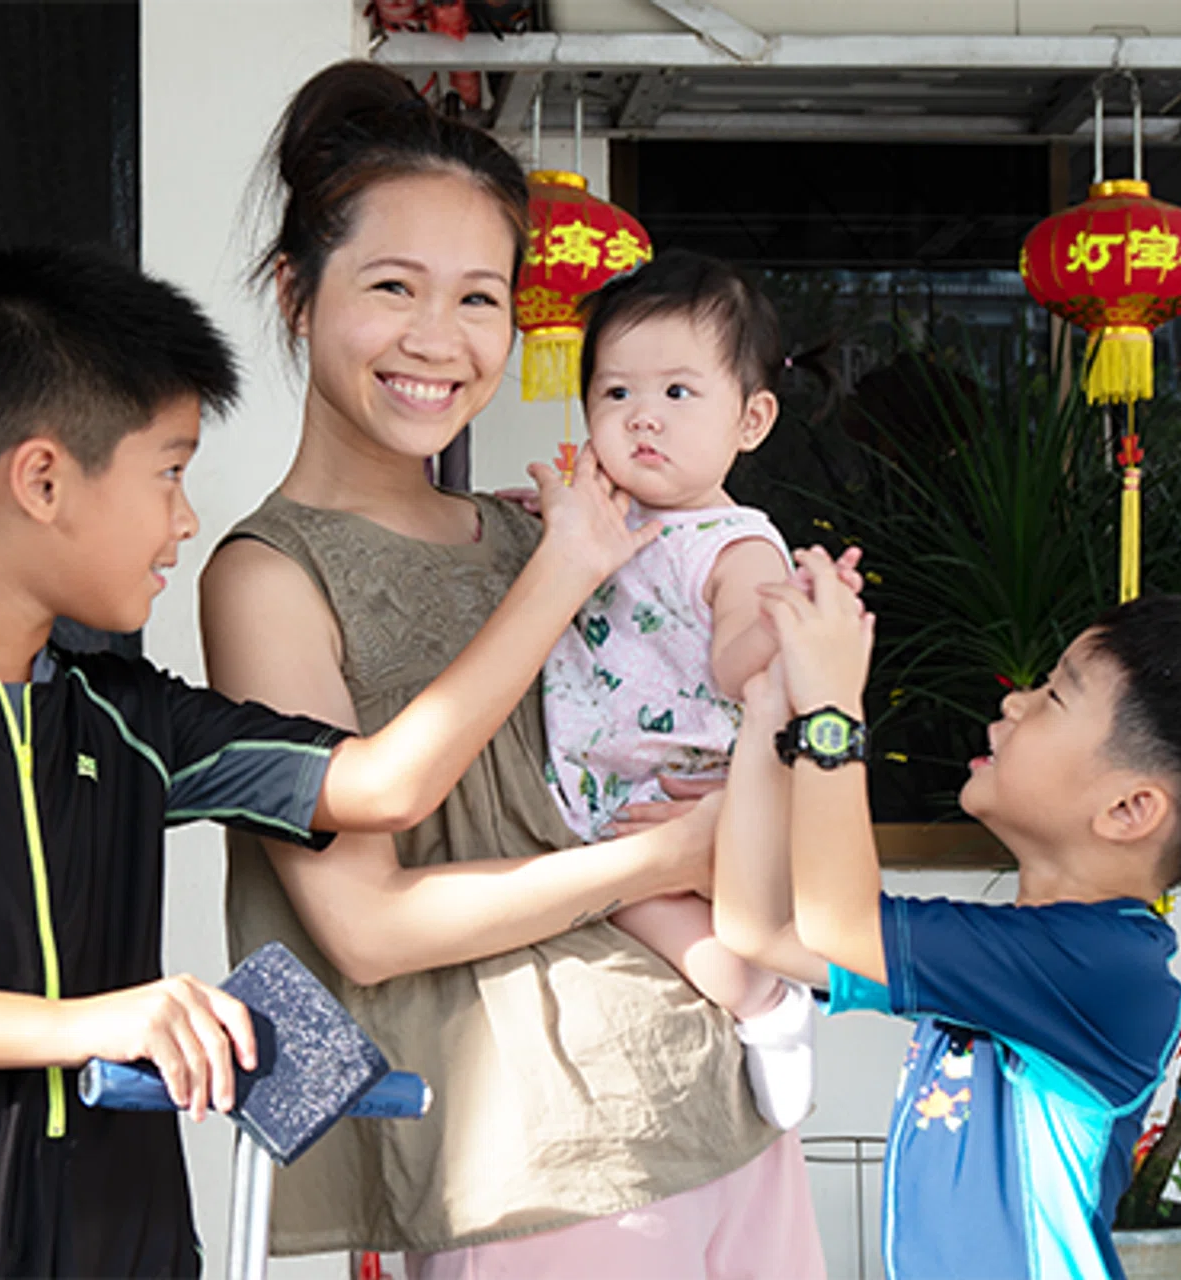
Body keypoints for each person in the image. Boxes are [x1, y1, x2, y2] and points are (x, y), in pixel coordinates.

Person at [0, 244, 658, 1280]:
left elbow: (387, 783)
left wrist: (564, 568)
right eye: (170, 471)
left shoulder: (123, 711)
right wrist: (84, 1026)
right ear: (44, 477)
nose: (188, 520)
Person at [202, 62, 826, 1278]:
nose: (440, 340)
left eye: (481, 297)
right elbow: (364, 927)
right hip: (535, 1158)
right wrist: (667, 855)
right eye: (393, 286)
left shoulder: (535, 526)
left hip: (722, 1104)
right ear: (296, 291)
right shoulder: (269, 576)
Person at [713, 565, 1181, 1280]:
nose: (1015, 702)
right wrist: (769, 705)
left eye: (1054, 695)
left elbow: (833, 920)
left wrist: (830, 707)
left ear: (1128, 810)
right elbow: (762, 927)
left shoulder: (1108, 972)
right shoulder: (1020, 956)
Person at [540, 250, 836, 1129]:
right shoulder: (605, 516)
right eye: (615, 393)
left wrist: (784, 630)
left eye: (677, 394)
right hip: (603, 787)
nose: (642, 420)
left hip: (678, 789)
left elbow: (736, 657)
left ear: (751, 420)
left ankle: (767, 1008)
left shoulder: (734, 542)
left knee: (667, 923)